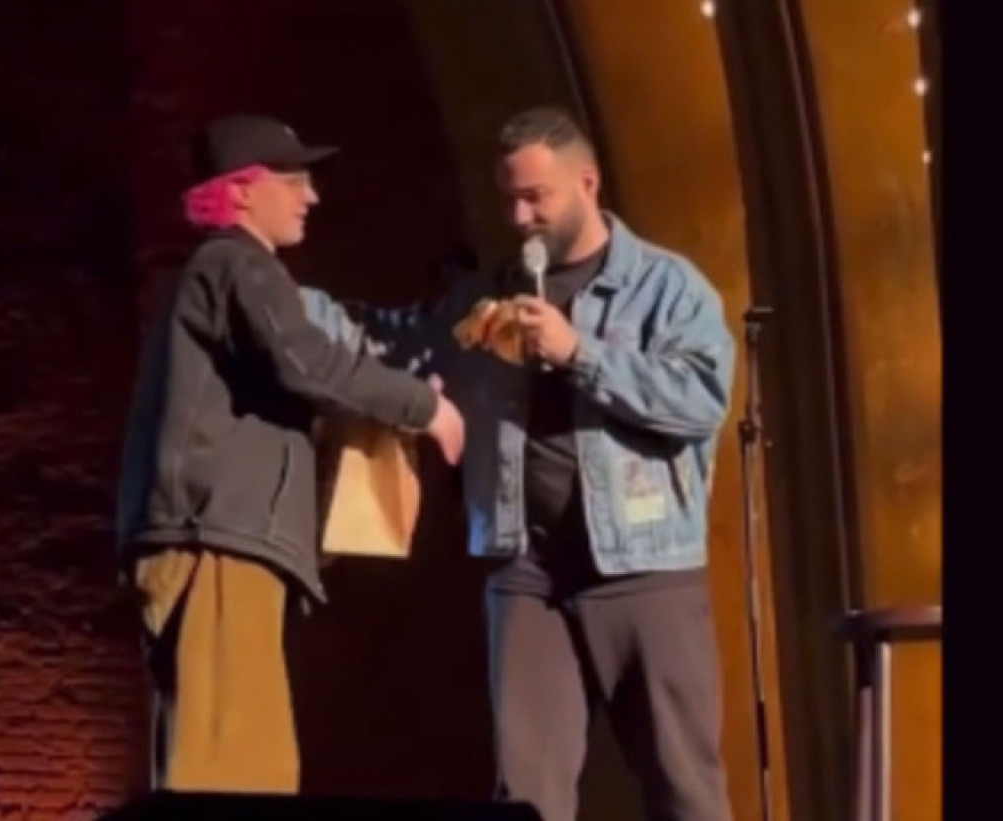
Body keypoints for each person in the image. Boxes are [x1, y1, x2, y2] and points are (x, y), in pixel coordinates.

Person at [302, 106, 736, 821]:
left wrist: (580, 353)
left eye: (537, 197)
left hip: (645, 567)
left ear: (587, 182)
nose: (521, 216)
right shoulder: (489, 293)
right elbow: (397, 339)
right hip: (526, 572)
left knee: (684, 788)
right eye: (510, 199)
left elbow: (701, 400)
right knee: (526, 796)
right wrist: (278, 298)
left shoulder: (666, 287)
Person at [115, 113, 465, 795]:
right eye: (293, 179)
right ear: (243, 189)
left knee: (243, 764)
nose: (311, 195)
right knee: (229, 772)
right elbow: (305, 361)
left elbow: (296, 376)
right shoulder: (238, 263)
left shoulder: (226, 272)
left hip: (224, 540)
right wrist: (427, 410)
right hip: (217, 541)